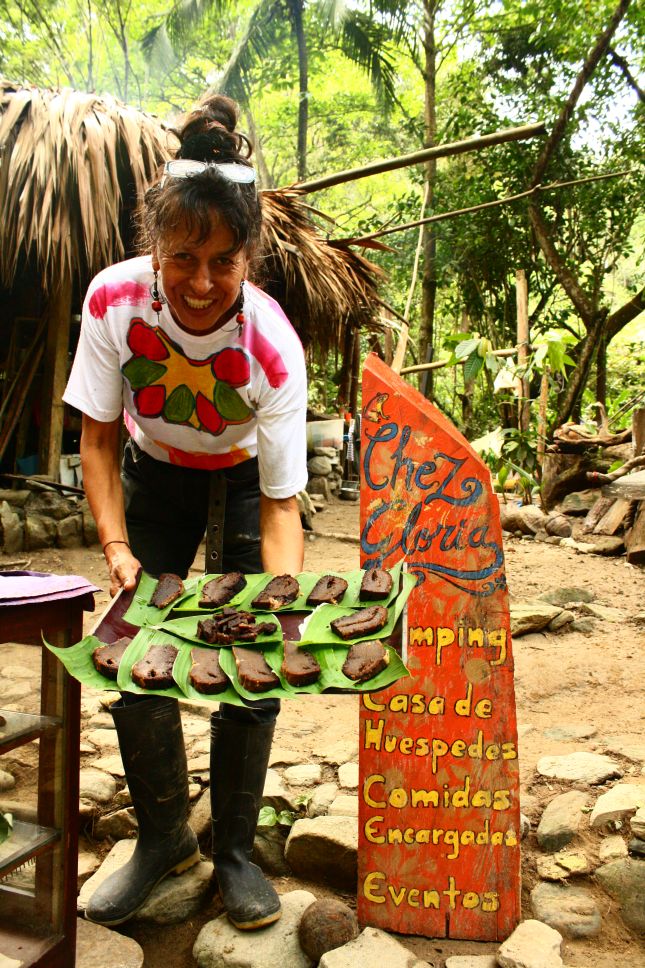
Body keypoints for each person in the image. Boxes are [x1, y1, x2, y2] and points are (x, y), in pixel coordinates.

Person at [63, 94, 307, 931]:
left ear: (248, 258)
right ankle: (165, 838)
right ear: (153, 247)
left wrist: (280, 597)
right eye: (181, 258)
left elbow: (281, 501)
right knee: (132, 655)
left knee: (253, 662)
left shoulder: (272, 345)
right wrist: (117, 545)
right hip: (155, 473)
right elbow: (97, 439)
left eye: (223, 262)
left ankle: (235, 852)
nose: (200, 282)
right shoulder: (111, 302)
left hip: (242, 483)